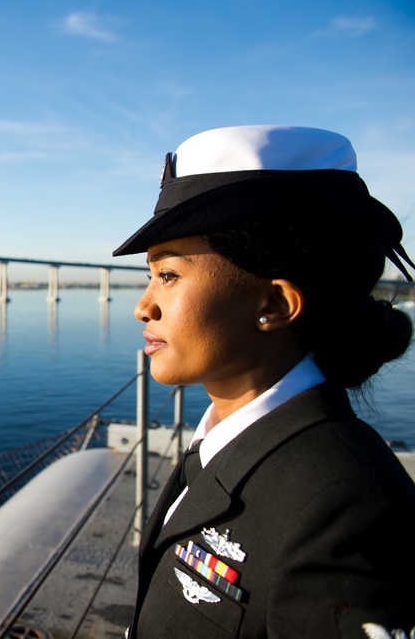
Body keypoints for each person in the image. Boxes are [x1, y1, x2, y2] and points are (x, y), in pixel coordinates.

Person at [112, 125, 415, 638]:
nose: (143, 306)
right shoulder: (226, 443)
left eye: (168, 275)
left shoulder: (349, 507)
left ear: (273, 305)